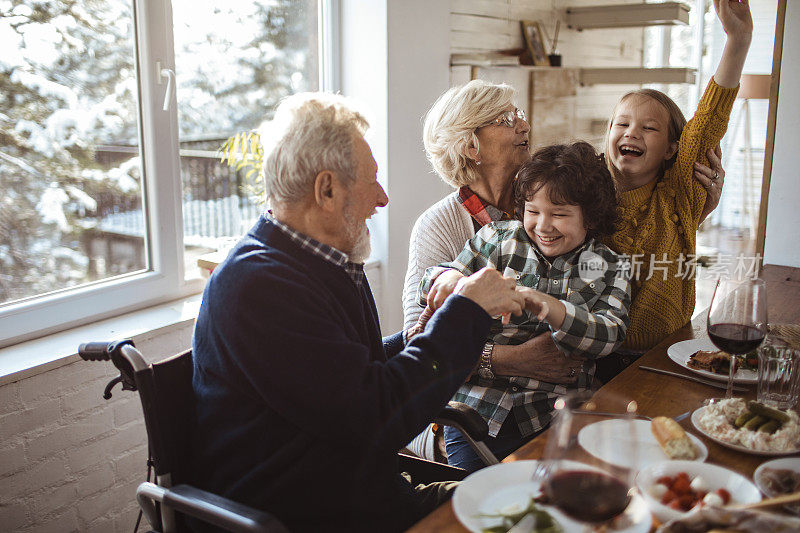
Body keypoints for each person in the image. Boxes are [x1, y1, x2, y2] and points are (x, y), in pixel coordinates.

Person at [189, 92, 534, 532]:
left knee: (535, 504)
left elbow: (350, 376)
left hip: (368, 495)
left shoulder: (316, 264)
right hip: (316, 516)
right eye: (371, 181)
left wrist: (416, 339)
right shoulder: (258, 286)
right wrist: (465, 310)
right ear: (327, 190)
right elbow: (376, 417)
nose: (383, 198)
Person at [403, 80, 727, 391]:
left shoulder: (551, 193)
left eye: (520, 115)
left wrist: (690, 214)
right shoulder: (441, 226)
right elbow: (417, 345)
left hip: (563, 394)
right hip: (476, 400)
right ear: (470, 145)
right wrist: (511, 360)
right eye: (506, 119)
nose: (524, 126)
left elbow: (628, 246)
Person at [416, 142, 631, 471]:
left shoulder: (611, 266)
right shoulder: (497, 240)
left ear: (590, 216)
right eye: (533, 211)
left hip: (556, 415)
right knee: (473, 501)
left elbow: (609, 335)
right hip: (477, 411)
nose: (544, 225)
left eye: (559, 214)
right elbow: (434, 281)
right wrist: (448, 279)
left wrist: (550, 307)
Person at [600, 0, 752, 357]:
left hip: (670, 348)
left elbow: (707, 122)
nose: (631, 133)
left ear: (671, 149)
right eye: (621, 124)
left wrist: (738, 41)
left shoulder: (677, 193)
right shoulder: (583, 192)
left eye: (649, 128)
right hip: (596, 352)